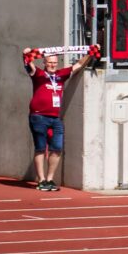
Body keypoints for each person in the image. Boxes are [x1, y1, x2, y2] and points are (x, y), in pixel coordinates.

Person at [24, 47, 96, 191]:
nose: (52, 65)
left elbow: (79, 65)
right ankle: (41, 180)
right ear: (44, 62)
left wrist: (90, 52)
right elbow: (28, 62)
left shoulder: (61, 74)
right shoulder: (38, 73)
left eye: (55, 62)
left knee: (56, 148)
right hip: (39, 116)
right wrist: (26, 53)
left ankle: (50, 179)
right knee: (40, 148)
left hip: (55, 118)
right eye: (50, 62)